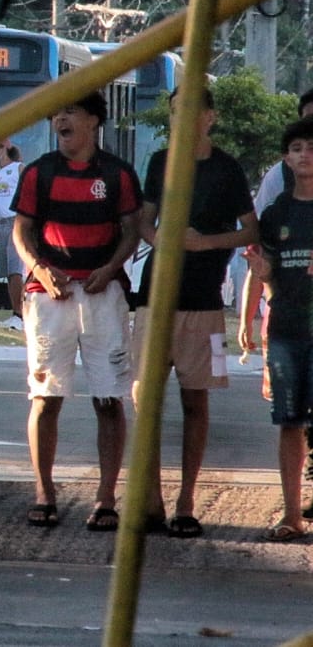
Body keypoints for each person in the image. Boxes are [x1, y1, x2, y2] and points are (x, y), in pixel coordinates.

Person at [11, 91, 142, 531]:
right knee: (45, 397)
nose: (60, 119)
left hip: (103, 295)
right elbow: (21, 231)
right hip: (50, 296)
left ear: (93, 121)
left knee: (108, 398)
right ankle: (44, 494)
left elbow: (131, 230)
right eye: (56, 113)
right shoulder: (38, 172)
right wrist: (40, 270)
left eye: (70, 111)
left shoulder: (118, 174)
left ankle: (106, 500)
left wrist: (110, 268)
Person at [131, 86, 256, 538]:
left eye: (189, 110)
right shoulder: (161, 162)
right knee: (145, 397)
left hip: (204, 299)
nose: (180, 118)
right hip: (155, 296)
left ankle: (186, 501)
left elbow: (249, 231)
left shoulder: (227, 168)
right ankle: (150, 501)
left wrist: (205, 241)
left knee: (195, 399)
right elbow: (144, 220)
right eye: (173, 110)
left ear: (210, 117)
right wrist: (158, 238)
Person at [243, 116, 313, 541]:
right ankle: (292, 514)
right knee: (290, 422)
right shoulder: (276, 212)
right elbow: (266, 270)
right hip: (286, 328)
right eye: (299, 147)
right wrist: (261, 271)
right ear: (287, 157)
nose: (306, 154)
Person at [0, 140, 26, 330]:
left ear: (6, 148)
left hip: (14, 223)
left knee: (15, 270)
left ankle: (21, 315)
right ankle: (15, 313)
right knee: (7, 272)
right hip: (0, 224)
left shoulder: (18, 168)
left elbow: (28, 192)